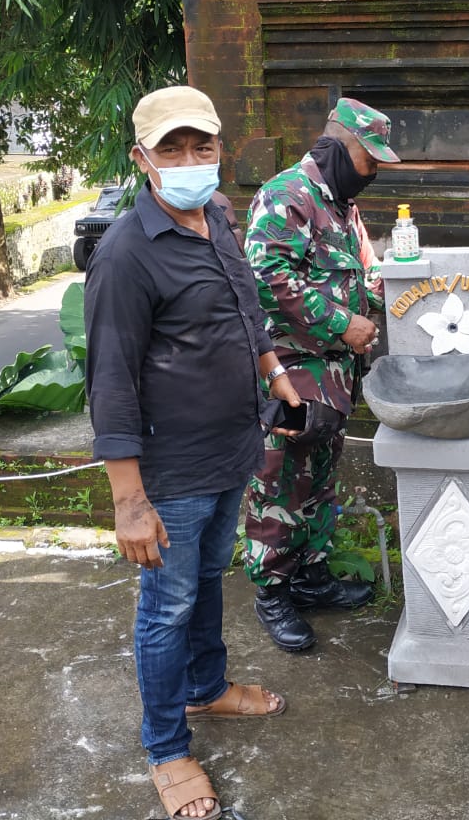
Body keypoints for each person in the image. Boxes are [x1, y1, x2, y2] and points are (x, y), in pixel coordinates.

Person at [84, 85, 302, 820]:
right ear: (141, 158)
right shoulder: (125, 254)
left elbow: (245, 308)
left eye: (199, 146)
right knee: (166, 606)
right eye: (169, 148)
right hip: (168, 470)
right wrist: (130, 503)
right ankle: (166, 747)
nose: (187, 160)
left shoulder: (219, 216)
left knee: (209, 579)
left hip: (231, 448)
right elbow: (109, 383)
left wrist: (275, 374)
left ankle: (206, 689)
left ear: (218, 148)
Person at [243, 97, 398, 652]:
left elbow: (365, 271)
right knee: (281, 477)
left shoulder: (342, 207)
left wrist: (397, 279)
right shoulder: (288, 196)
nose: (375, 170)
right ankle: (272, 589)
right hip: (286, 372)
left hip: (332, 379)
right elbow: (264, 276)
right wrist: (342, 321)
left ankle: (309, 574)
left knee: (319, 478)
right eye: (369, 157)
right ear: (338, 146)